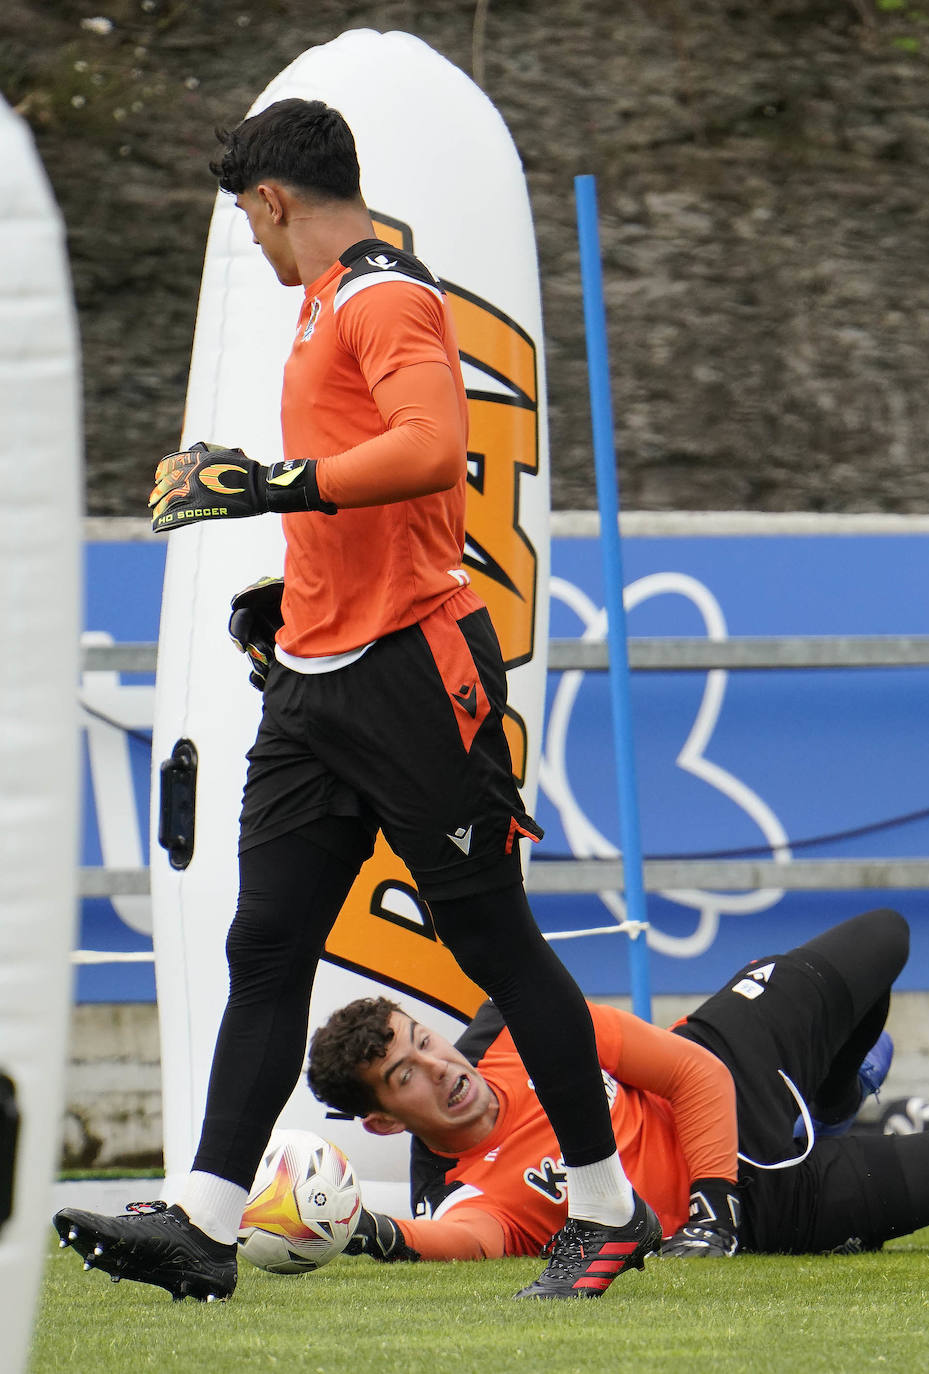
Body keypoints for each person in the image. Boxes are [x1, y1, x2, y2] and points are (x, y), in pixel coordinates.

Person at [53, 98, 654, 1302]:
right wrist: (297, 591)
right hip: (315, 682)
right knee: (264, 945)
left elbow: (433, 449)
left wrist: (272, 484)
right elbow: (381, 497)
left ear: (271, 201)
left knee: (492, 942)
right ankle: (207, 1226)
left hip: (413, 678)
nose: (258, 251)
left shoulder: (381, 294)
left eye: (250, 224)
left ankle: (604, 1206)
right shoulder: (331, 299)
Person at [305, 908, 929, 1268]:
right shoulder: (463, 1194)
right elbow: (464, 1241)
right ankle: (831, 1138)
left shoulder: (517, 1030)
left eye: (423, 1041)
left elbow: (695, 1073)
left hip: (722, 1069)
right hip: (775, 1205)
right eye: (404, 1078)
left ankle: (833, 1105)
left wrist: (710, 1212)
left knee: (885, 937)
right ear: (386, 1123)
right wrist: (363, 1230)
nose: (440, 1069)